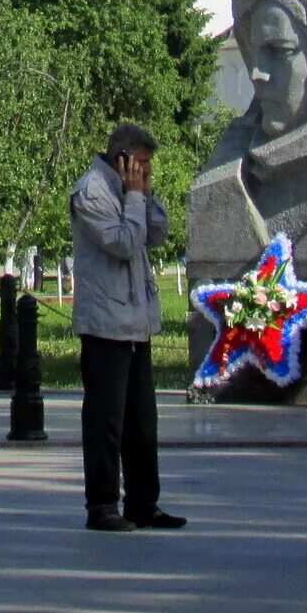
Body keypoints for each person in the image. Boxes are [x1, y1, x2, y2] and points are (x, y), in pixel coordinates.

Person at [69, 121, 182, 533]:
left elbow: (156, 236)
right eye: (144, 168)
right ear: (123, 162)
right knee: (106, 421)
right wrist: (135, 198)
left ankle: (143, 503)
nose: (148, 175)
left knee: (141, 420)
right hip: (105, 323)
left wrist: (146, 196)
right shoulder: (91, 191)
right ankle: (102, 506)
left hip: (136, 322)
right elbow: (123, 243)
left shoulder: (132, 191)